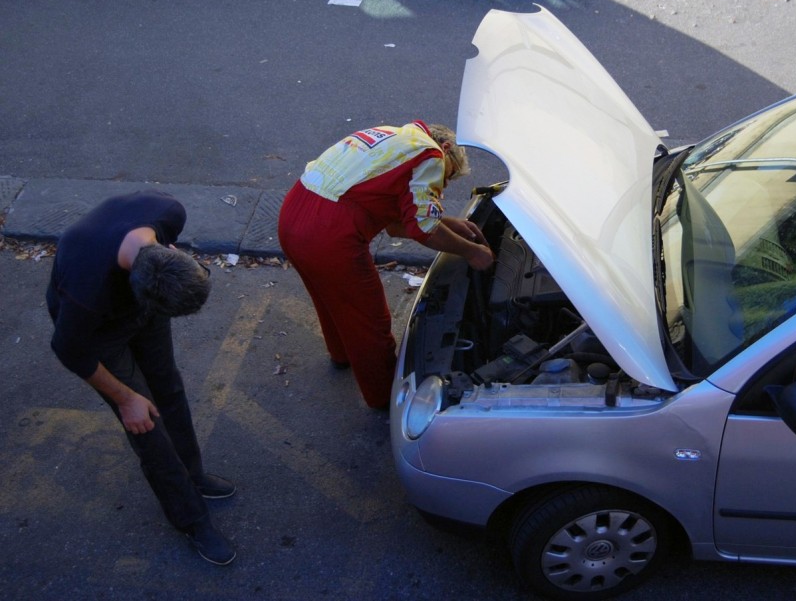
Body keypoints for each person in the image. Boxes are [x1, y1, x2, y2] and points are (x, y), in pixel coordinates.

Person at [46, 190, 236, 566]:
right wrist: (125, 399)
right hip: (98, 336)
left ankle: (193, 474)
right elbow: (69, 350)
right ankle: (192, 520)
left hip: (145, 306)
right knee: (146, 425)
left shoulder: (168, 213)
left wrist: (154, 312)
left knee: (169, 387)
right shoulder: (87, 293)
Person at [279, 121, 494, 409]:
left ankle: (341, 355)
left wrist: (446, 221)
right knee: (369, 321)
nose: (442, 186)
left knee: (330, 297)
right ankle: (383, 399)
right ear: (445, 150)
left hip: (294, 215)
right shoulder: (430, 155)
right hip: (328, 235)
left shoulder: (394, 137)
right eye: (447, 177)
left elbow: (397, 224)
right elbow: (422, 228)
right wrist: (472, 252)